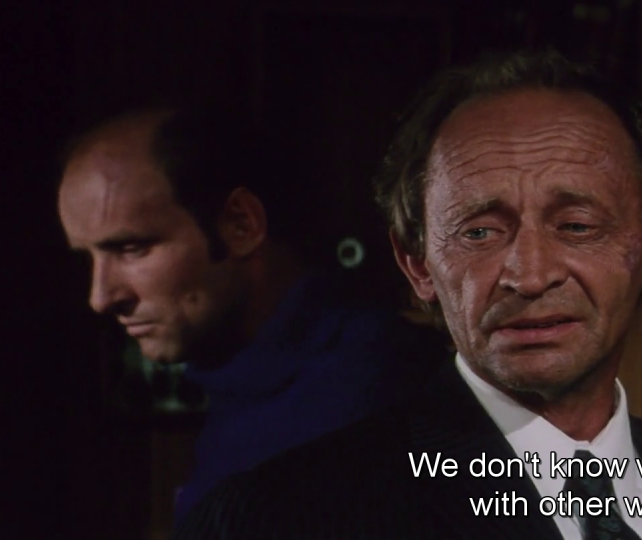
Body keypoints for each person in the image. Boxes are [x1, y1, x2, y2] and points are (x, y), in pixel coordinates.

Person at [175, 51, 642, 539]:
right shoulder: (278, 519)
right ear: (417, 264)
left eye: (576, 226)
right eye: (480, 233)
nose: (530, 275)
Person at [57, 108, 428, 524]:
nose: (100, 297)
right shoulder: (243, 380)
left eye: (131, 249)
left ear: (241, 224)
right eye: (88, 258)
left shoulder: (369, 394)